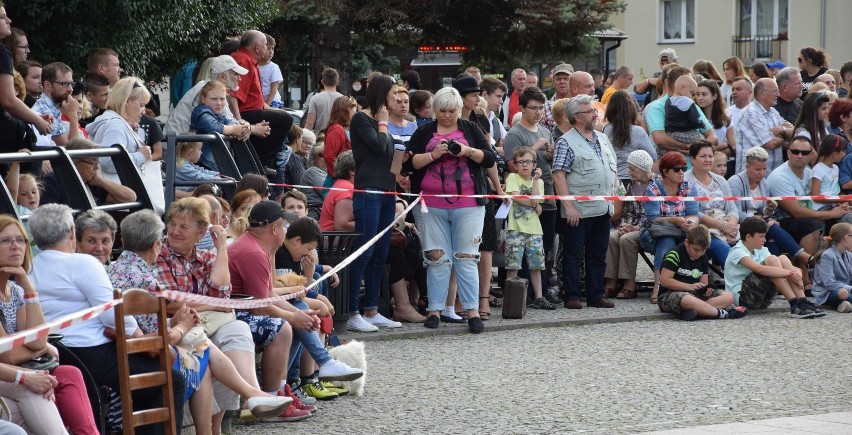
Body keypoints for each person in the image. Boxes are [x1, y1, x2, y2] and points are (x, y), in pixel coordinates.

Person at [108, 209, 292, 433]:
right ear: (157, 244)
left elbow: (222, 293)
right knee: (201, 353)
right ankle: (250, 396)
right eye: (173, 225)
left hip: (157, 338)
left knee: (231, 333)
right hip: (148, 347)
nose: (175, 231)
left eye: (183, 227)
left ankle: (248, 398)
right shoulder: (147, 276)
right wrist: (184, 323)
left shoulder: (115, 269)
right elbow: (165, 315)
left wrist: (222, 249)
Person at [28, 204, 187, 435]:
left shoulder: (31, 266)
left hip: (55, 351)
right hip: (93, 351)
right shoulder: (82, 262)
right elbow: (113, 314)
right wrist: (142, 342)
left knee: (149, 383)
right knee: (171, 381)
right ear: (73, 232)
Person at [228, 202, 362, 403]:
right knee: (286, 325)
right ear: (274, 229)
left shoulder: (260, 249)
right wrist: (292, 315)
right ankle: (274, 394)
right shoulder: (254, 252)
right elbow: (259, 304)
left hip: (242, 310)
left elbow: (269, 293)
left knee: (300, 316)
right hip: (236, 315)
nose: (285, 232)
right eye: (283, 227)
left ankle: (286, 388)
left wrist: (298, 315)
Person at [403, 86, 496, 333]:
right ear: (435, 110)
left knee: (467, 258)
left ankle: (472, 311)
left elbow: (489, 158)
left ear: (459, 109)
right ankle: (435, 309)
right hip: (430, 205)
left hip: (469, 204)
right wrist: (433, 154)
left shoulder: (471, 129)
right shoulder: (424, 131)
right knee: (436, 259)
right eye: (441, 111)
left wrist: (467, 151)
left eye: (451, 111)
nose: (446, 115)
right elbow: (409, 165)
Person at [0, 215, 99, 434]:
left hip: (20, 370)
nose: (16, 246)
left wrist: (28, 286)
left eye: (21, 240)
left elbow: (36, 341)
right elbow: (6, 354)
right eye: (6, 241)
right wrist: (43, 348)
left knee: (69, 373)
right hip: (8, 372)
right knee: (33, 390)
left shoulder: (15, 289)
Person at [346, 74, 403, 332]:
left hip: (388, 191)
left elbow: (391, 153)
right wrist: (382, 123)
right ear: (382, 94)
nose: (397, 100)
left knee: (381, 252)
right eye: (393, 95)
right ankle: (352, 311)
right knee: (365, 250)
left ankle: (372, 308)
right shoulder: (362, 119)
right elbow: (378, 147)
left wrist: (401, 173)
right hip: (368, 191)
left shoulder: (384, 124)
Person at [552, 94, 619, 309]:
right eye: (590, 111)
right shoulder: (566, 141)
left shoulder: (602, 138)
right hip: (579, 210)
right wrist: (568, 206)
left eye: (594, 110)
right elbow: (559, 174)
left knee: (598, 253)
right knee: (573, 254)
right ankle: (571, 295)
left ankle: (595, 294)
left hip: (602, 207)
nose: (595, 114)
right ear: (576, 116)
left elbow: (612, 170)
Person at [768, 137, 850, 292]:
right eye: (795, 151)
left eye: (805, 152)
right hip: (784, 221)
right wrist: (832, 213)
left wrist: (841, 204)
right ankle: (805, 277)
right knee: (813, 225)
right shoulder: (779, 176)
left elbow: (825, 194)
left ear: (811, 153)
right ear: (788, 153)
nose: (800, 155)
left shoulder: (809, 172)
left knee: (846, 223)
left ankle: (842, 273)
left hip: (814, 214)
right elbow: (796, 212)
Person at [727, 146, 814, 280]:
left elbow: (764, 212)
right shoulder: (735, 182)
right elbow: (735, 212)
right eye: (757, 169)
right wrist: (760, 219)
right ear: (747, 166)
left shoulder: (764, 184)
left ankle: (775, 278)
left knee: (771, 235)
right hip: (741, 224)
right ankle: (802, 256)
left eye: (764, 169)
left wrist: (769, 210)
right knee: (770, 226)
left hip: (760, 222)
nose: (762, 173)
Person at [724, 217, 825, 318]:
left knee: (782, 258)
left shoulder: (762, 249)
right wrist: (791, 273)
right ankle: (794, 304)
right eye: (761, 236)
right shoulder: (737, 251)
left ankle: (802, 301)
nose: (764, 240)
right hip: (744, 299)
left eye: (765, 236)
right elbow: (759, 269)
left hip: (763, 299)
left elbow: (782, 266)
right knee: (772, 260)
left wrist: (797, 271)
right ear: (749, 237)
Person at [639, 152, 699, 303]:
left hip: (681, 232)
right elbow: (653, 220)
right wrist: (675, 220)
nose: (681, 173)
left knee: (688, 239)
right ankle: (658, 288)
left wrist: (690, 222)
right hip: (653, 234)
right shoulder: (653, 189)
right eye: (677, 169)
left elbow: (694, 214)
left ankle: (694, 285)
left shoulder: (689, 187)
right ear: (665, 171)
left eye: (684, 169)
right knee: (667, 240)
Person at [230, 30, 294, 172]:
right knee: (284, 120)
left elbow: (258, 100)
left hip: (254, 110)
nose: (267, 49)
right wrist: (239, 121)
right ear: (257, 47)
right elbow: (234, 94)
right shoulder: (243, 60)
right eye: (266, 45)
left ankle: (262, 161)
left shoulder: (251, 62)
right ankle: (262, 161)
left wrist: (276, 110)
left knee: (284, 117)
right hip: (246, 112)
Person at [657, 224, 747, 321]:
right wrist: (688, 287)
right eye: (696, 249)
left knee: (728, 296)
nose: (699, 253)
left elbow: (704, 283)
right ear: (686, 242)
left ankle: (696, 311)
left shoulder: (703, 258)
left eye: (703, 250)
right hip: (670, 295)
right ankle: (723, 314)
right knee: (688, 299)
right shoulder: (674, 254)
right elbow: (665, 281)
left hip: (694, 294)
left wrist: (706, 292)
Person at [504, 146, 552, 309]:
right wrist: (533, 203)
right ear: (515, 165)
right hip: (516, 229)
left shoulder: (538, 182)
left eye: (528, 161)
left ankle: (539, 297)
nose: (525, 165)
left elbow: (537, 201)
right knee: (513, 265)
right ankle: (512, 299)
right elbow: (518, 197)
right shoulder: (513, 177)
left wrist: (536, 182)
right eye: (521, 162)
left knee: (536, 265)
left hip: (534, 230)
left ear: (534, 165)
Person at [0, 3, 52, 152]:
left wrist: (34, 115)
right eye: (3, 17)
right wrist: (35, 120)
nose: (9, 20)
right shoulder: (1, 52)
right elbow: (8, 100)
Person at [606, 150, 655, 300]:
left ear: (643, 168)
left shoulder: (657, 185)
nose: (630, 172)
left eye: (633, 169)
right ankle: (611, 282)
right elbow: (627, 211)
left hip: (648, 229)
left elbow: (654, 216)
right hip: (631, 225)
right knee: (611, 237)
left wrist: (636, 228)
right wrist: (625, 225)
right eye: (629, 168)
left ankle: (629, 284)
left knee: (626, 239)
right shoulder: (631, 186)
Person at [683, 140, 737, 264]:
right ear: (692, 159)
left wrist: (731, 229)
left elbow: (733, 208)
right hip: (702, 230)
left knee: (749, 248)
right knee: (726, 253)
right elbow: (692, 211)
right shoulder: (685, 181)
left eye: (710, 156)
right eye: (703, 156)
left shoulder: (720, 180)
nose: (708, 159)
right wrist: (722, 226)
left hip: (726, 227)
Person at [39, 137, 136, 207]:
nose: (96, 168)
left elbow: (130, 197)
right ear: (75, 162)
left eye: (97, 162)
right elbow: (48, 215)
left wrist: (99, 181)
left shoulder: (92, 182)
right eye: (92, 163)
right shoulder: (53, 180)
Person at [734, 78, 794, 173]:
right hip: (752, 178)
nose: (778, 95)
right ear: (762, 93)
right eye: (775, 91)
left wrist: (779, 131)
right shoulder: (750, 113)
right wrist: (783, 132)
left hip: (773, 175)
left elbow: (792, 131)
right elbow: (770, 143)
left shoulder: (773, 111)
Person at [189, 79, 251, 170]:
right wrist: (233, 130)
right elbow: (211, 126)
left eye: (222, 99)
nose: (219, 103)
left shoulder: (218, 115)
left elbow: (231, 121)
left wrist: (244, 126)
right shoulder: (201, 111)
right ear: (203, 99)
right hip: (202, 163)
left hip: (215, 163)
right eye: (214, 99)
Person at [603, 90, 657, 183]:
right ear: (631, 109)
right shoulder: (638, 131)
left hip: (612, 179)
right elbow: (653, 156)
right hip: (633, 179)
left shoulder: (606, 129)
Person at [812, 222, 852, 312]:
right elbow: (830, 283)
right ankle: (845, 302)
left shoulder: (849, 254)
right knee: (843, 293)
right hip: (828, 292)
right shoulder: (827, 255)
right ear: (846, 237)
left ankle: (845, 305)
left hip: (845, 287)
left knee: (845, 292)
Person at [694, 79, 732, 166]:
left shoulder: (725, 117)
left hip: (721, 164)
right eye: (697, 94)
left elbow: (732, 145)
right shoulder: (693, 118)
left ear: (714, 96)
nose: (700, 98)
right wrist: (721, 146)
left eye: (704, 94)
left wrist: (715, 150)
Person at [319, 150, 355, 231]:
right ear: (352, 170)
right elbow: (342, 226)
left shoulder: (341, 184)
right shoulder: (347, 189)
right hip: (335, 241)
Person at [792, 90, 831, 162]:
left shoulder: (821, 128)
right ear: (813, 110)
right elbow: (814, 161)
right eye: (823, 108)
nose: (827, 111)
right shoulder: (803, 133)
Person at [811, 134, 847, 211]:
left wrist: (845, 198)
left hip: (835, 205)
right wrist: (839, 200)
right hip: (821, 208)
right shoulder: (818, 169)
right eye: (843, 151)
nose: (845, 153)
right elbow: (816, 197)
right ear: (835, 154)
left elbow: (836, 190)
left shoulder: (835, 168)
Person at [322, 95, 356, 176]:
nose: (356, 112)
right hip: (336, 180)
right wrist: (340, 175)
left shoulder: (342, 129)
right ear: (347, 109)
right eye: (355, 109)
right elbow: (329, 156)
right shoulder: (337, 129)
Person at [299, 141, 327, 220]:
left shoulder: (330, 175)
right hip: (315, 220)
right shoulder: (313, 171)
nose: (325, 158)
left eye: (328, 154)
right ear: (313, 158)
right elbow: (330, 194)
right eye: (321, 155)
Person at [258, 34, 284, 109]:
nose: (271, 52)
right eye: (268, 48)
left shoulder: (273, 67)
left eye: (272, 49)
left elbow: (274, 90)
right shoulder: (255, 65)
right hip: (260, 102)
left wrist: (266, 105)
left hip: (272, 102)